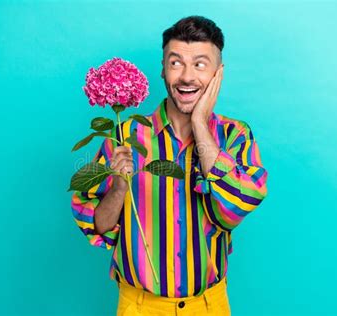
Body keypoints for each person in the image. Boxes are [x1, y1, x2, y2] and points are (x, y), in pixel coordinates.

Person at [71, 15, 268, 316]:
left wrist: (200, 123)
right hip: (139, 306)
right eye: (176, 63)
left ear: (218, 74)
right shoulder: (125, 137)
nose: (187, 77)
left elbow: (235, 208)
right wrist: (119, 187)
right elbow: (99, 225)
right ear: (162, 70)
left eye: (200, 64)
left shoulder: (234, 136)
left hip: (208, 306)